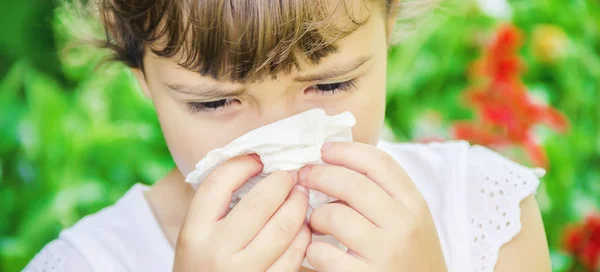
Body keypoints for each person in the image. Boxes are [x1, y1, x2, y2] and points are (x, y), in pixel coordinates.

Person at [24, 0, 552, 271]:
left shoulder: (480, 212)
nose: (278, 141)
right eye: (214, 102)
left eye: (331, 84)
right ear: (140, 72)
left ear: (387, 27)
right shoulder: (88, 263)